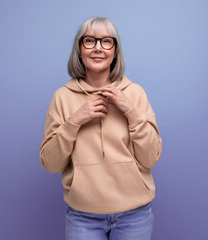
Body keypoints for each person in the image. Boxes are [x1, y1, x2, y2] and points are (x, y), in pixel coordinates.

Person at [39, 17, 162, 240]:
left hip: (135, 215)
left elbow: (151, 157)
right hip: (82, 217)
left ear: (115, 51)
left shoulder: (135, 94)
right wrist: (74, 121)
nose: (98, 48)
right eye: (89, 41)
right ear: (79, 49)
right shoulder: (62, 97)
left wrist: (130, 111)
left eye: (106, 41)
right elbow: (51, 163)